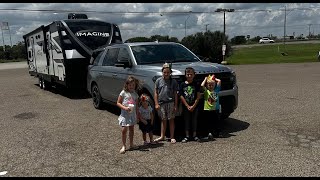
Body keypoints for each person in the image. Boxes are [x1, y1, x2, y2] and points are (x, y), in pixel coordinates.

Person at [154, 63, 178, 144]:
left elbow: (175, 94)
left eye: (168, 72)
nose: (166, 74)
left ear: (170, 73)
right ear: (162, 72)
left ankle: (172, 137)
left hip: (170, 102)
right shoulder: (158, 81)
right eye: (164, 72)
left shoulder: (173, 81)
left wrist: (175, 105)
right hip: (162, 103)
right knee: (163, 120)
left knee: (171, 120)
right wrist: (156, 103)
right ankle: (162, 136)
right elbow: (156, 93)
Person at [116, 76, 141, 154]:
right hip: (125, 115)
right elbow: (118, 103)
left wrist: (137, 115)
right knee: (124, 130)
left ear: (135, 85)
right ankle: (123, 145)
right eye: (130, 85)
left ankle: (131, 144)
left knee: (131, 129)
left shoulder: (135, 94)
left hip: (132, 115)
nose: (131, 86)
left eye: (133, 85)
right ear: (126, 85)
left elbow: (136, 106)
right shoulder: (123, 92)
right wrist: (125, 108)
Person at [179, 67, 201, 143]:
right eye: (188, 74)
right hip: (186, 106)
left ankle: (194, 135)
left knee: (194, 120)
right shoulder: (182, 84)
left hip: (195, 106)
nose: (189, 76)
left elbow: (198, 96)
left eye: (191, 74)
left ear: (194, 75)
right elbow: (181, 96)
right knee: (186, 120)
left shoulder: (196, 84)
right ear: (185, 75)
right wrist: (187, 106)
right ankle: (187, 135)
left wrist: (193, 106)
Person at [200, 74, 222, 139]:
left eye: (212, 85)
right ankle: (208, 133)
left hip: (215, 109)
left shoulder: (216, 90)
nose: (211, 86)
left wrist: (214, 79)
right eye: (209, 85)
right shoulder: (206, 91)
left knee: (216, 121)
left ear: (215, 85)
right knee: (208, 122)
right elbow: (202, 85)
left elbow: (219, 81)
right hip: (207, 109)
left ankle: (217, 132)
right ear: (207, 85)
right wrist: (205, 79)